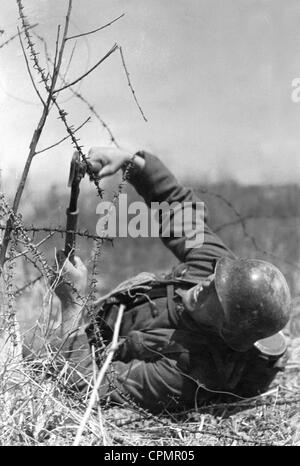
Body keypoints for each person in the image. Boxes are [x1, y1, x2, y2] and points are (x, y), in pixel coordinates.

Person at [52, 148, 291, 413]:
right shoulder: (221, 271)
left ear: (226, 330)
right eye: (218, 279)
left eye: (218, 296)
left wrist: (72, 303)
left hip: (80, 350)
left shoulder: (186, 374)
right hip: (94, 323)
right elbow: (177, 207)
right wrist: (132, 163)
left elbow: (89, 385)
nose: (208, 283)